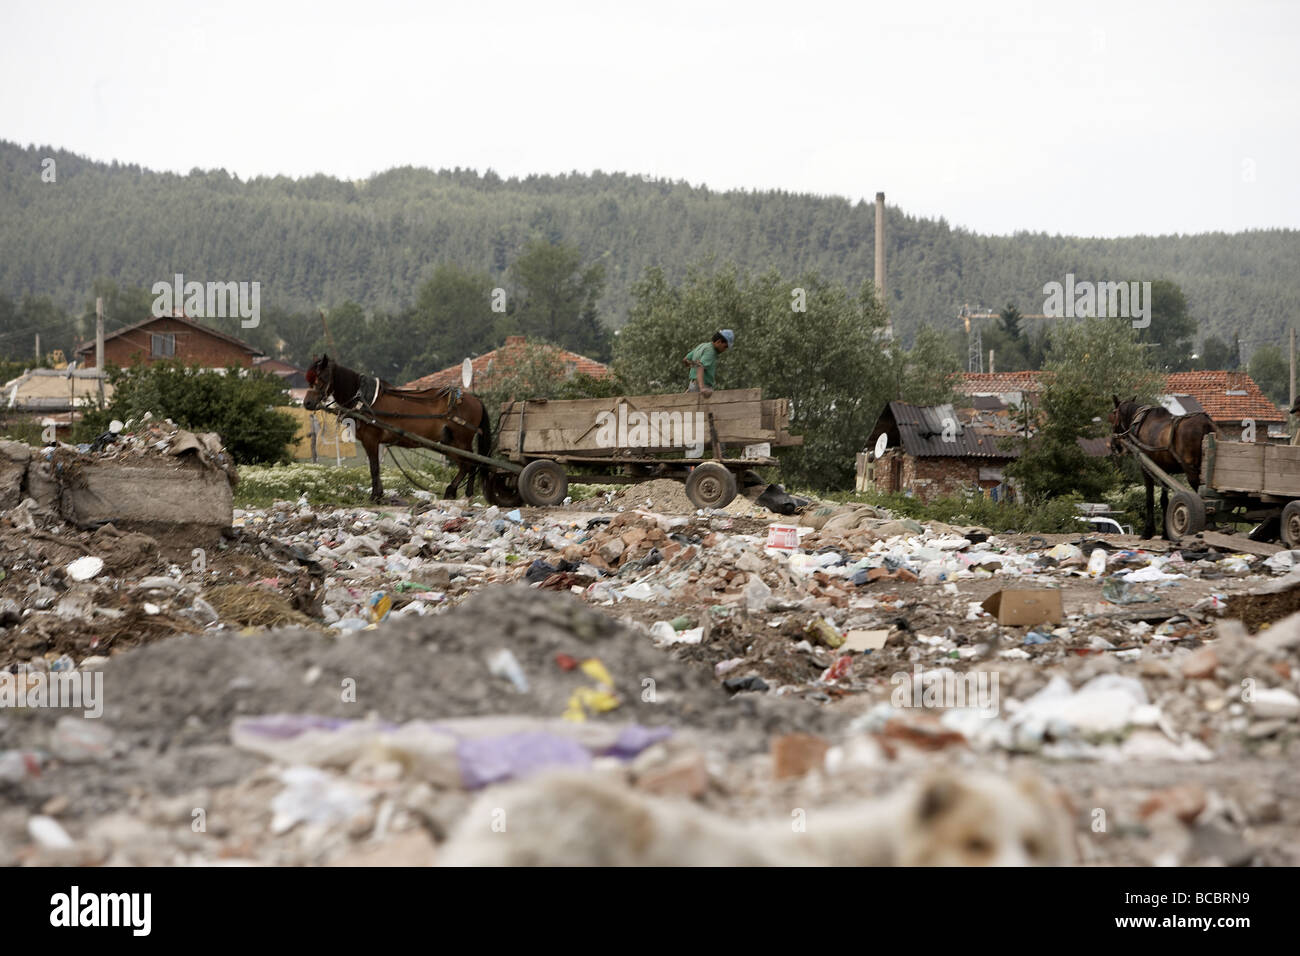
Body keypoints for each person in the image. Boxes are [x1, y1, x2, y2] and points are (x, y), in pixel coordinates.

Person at [683, 329, 734, 396]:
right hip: (702, 387)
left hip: (693, 385)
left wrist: (693, 366)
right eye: (725, 346)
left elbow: (685, 360)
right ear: (718, 342)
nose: (725, 349)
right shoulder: (711, 352)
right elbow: (700, 366)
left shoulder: (702, 345)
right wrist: (702, 388)